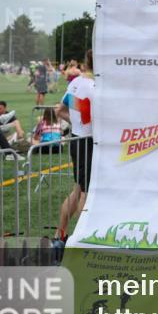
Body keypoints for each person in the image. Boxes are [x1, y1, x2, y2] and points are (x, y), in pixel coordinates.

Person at [55, 50, 95, 242]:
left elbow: (60, 110)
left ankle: (60, 234)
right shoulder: (96, 86)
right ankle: (81, 239)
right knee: (86, 193)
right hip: (89, 142)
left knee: (78, 190)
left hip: (77, 139)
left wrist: (78, 125)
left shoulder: (76, 82)